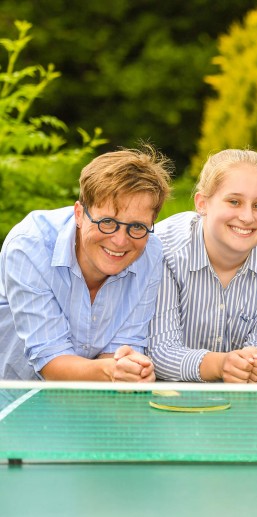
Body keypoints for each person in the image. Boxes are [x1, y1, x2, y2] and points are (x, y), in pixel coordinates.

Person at [0, 146, 172, 381]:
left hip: (91, 398)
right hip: (13, 394)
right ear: (79, 214)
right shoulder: (29, 246)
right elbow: (51, 360)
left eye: (137, 227)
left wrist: (129, 369)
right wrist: (113, 371)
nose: (120, 241)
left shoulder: (149, 253)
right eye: (108, 222)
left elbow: (120, 350)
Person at [148, 149, 257, 383]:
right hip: (172, 398)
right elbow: (161, 352)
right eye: (234, 202)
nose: (247, 217)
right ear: (202, 203)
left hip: (246, 400)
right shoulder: (163, 247)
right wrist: (221, 365)